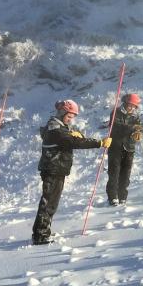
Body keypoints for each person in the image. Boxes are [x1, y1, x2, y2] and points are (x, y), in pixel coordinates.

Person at [32, 99, 111, 245]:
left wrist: (72, 133)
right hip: (53, 169)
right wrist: (99, 143)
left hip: (56, 169)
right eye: (69, 117)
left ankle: (43, 231)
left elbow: (69, 137)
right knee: (48, 203)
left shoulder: (58, 127)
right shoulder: (56, 129)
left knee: (51, 202)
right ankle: (40, 235)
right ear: (61, 113)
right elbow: (73, 142)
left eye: (72, 117)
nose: (70, 120)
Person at [106, 93, 143, 206]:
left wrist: (139, 133)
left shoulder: (135, 117)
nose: (132, 108)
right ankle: (113, 197)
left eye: (134, 106)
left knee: (126, 174)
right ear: (125, 103)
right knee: (114, 172)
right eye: (130, 105)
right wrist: (132, 128)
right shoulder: (115, 112)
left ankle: (122, 196)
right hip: (116, 147)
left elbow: (140, 127)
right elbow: (116, 127)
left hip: (129, 148)